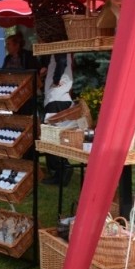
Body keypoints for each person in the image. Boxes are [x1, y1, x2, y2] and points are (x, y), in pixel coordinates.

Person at [41, 53, 75, 185]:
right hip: (60, 97)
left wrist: (55, 79)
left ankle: (63, 169)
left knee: (51, 136)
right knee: (55, 136)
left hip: (56, 97)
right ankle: (61, 170)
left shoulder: (59, 48)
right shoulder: (59, 52)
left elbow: (61, 61)